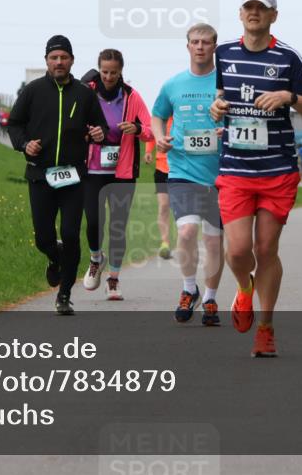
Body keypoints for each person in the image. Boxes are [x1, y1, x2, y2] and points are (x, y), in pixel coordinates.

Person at [210, 0, 302, 357]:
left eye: (261, 8)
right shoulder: (223, 53)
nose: (254, 12)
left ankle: (266, 328)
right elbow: (219, 96)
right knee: (238, 251)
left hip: (277, 170)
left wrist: (288, 97)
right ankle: (245, 289)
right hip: (236, 168)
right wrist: (216, 107)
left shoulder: (289, 58)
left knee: (265, 248)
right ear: (240, 13)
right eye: (248, 7)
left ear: (274, 16)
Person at [7, 35, 108, 315]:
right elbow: (14, 124)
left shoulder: (84, 94)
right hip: (40, 175)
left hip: (74, 177)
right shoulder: (33, 91)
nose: (59, 62)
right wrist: (25, 144)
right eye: (54, 58)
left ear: (72, 60)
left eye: (64, 57)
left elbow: (100, 126)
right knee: (43, 238)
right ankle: (55, 256)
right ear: (46, 61)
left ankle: (64, 295)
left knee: (71, 234)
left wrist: (98, 133)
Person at [152, 23, 225, 327]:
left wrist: (228, 131)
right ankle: (188, 289)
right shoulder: (173, 84)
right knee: (186, 232)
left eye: (206, 42)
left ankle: (210, 297)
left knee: (213, 241)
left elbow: (243, 120)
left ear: (214, 47)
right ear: (188, 46)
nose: (200, 47)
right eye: (195, 42)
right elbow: (158, 115)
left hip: (220, 175)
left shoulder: (225, 83)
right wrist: (159, 137)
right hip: (182, 170)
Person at [80, 50, 154, 300]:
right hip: (92, 169)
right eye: (104, 72)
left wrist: (137, 128)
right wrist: (88, 134)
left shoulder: (132, 96)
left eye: (114, 72)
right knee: (93, 220)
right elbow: (73, 124)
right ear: (98, 69)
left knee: (118, 225)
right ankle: (95, 258)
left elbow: (150, 129)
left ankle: (113, 280)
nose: (109, 77)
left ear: (121, 71)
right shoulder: (86, 92)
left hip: (122, 171)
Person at [144, 116, 174, 260]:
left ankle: (185, 240)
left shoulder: (182, 113)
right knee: (163, 206)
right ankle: (165, 243)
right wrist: (148, 151)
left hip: (181, 169)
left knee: (182, 208)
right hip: (162, 167)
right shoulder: (160, 116)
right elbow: (152, 134)